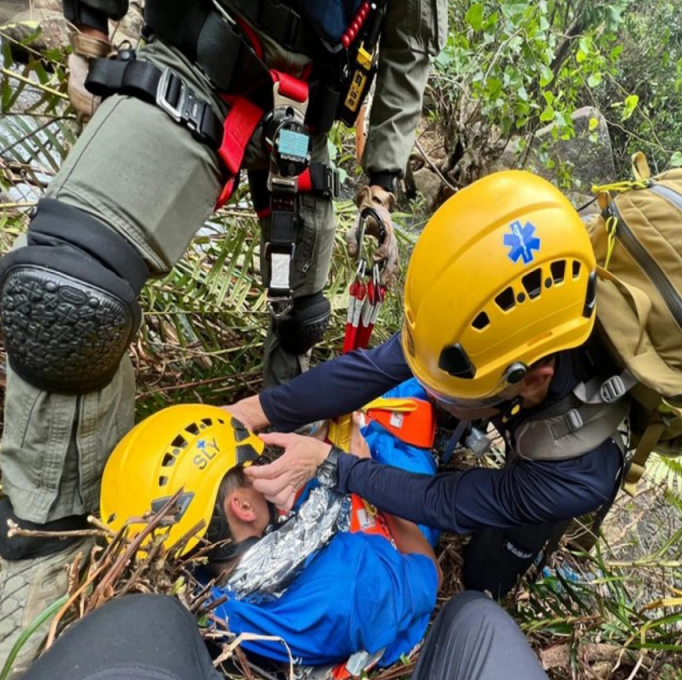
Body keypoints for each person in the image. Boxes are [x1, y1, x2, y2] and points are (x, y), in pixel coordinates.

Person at [0, 0, 447, 666]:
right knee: (70, 295)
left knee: (300, 326)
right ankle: (48, 553)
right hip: (198, 54)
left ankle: (267, 463)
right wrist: (91, 29)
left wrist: (382, 177)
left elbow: (407, 41)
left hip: (304, 119)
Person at [226, 170, 629, 598]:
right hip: (535, 401)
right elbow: (371, 370)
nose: (433, 394)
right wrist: (250, 412)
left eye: (445, 392)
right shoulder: (483, 323)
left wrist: (334, 464)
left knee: (484, 575)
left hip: (570, 452)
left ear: (529, 381)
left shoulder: (575, 477)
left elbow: (445, 501)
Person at [98, 404, 441, 672]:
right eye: (255, 466)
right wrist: (372, 480)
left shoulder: (205, 590)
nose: (265, 467)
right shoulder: (351, 588)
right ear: (243, 507)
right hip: (393, 507)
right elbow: (430, 572)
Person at [19, 591, 549, 680]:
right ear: (243, 506)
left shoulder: (222, 604)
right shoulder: (345, 596)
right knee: (476, 615)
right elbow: (424, 575)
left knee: (147, 618)